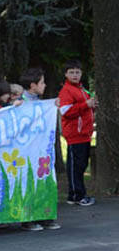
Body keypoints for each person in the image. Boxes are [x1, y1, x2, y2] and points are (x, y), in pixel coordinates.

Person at [16, 68, 62, 231]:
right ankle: (28, 218)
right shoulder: (21, 102)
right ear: (32, 85)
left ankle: (45, 215)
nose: (45, 85)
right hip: (27, 151)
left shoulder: (40, 102)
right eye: (41, 82)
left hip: (41, 152)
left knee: (44, 180)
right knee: (27, 181)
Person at [58, 60, 96, 207]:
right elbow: (65, 111)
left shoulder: (81, 89)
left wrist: (91, 107)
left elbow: (83, 110)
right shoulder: (66, 90)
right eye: (71, 72)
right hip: (75, 134)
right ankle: (76, 196)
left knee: (81, 165)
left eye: (77, 72)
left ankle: (78, 193)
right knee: (76, 166)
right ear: (66, 74)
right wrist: (85, 105)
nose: (75, 75)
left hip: (85, 133)